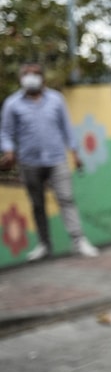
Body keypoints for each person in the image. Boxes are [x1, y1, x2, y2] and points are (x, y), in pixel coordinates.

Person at [0, 63, 99, 261]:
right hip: (29, 161)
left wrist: (75, 152)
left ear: (42, 77)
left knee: (66, 198)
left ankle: (78, 240)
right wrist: (8, 151)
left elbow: (67, 128)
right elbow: (6, 132)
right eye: (26, 74)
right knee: (37, 204)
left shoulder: (56, 99)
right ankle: (45, 245)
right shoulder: (12, 104)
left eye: (34, 74)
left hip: (56, 159)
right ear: (21, 78)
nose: (30, 78)